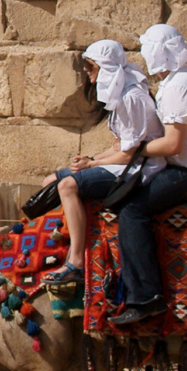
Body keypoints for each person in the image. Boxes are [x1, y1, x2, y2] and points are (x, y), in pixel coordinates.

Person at [108, 24, 187, 326]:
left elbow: (173, 143)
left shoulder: (177, 87)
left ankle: (146, 297)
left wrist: (138, 150)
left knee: (131, 211)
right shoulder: (184, 80)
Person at [40, 40, 164, 291]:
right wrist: (91, 161)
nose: (86, 71)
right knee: (50, 182)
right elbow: (120, 145)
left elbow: (129, 154)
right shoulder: (121, 93)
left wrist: (94, 163)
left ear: (105, 67)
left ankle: (75, 262)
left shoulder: (131, 97)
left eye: (90, 66)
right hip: (124, 163)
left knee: (67, 186)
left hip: (139, 169)